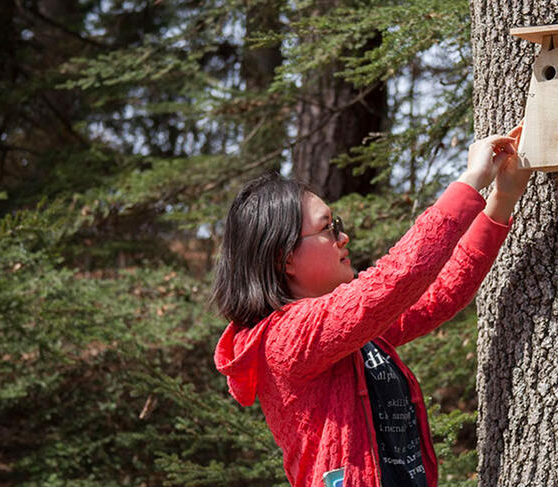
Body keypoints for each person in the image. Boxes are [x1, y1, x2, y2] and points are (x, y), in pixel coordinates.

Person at [212, 125, 530, 487]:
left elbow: (440, 293)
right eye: (328, 228)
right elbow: (396, 279)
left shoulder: (346, 332)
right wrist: (470, 180)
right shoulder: (287, 339)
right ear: (284, 259)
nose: (343, 237)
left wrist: (502, 199)